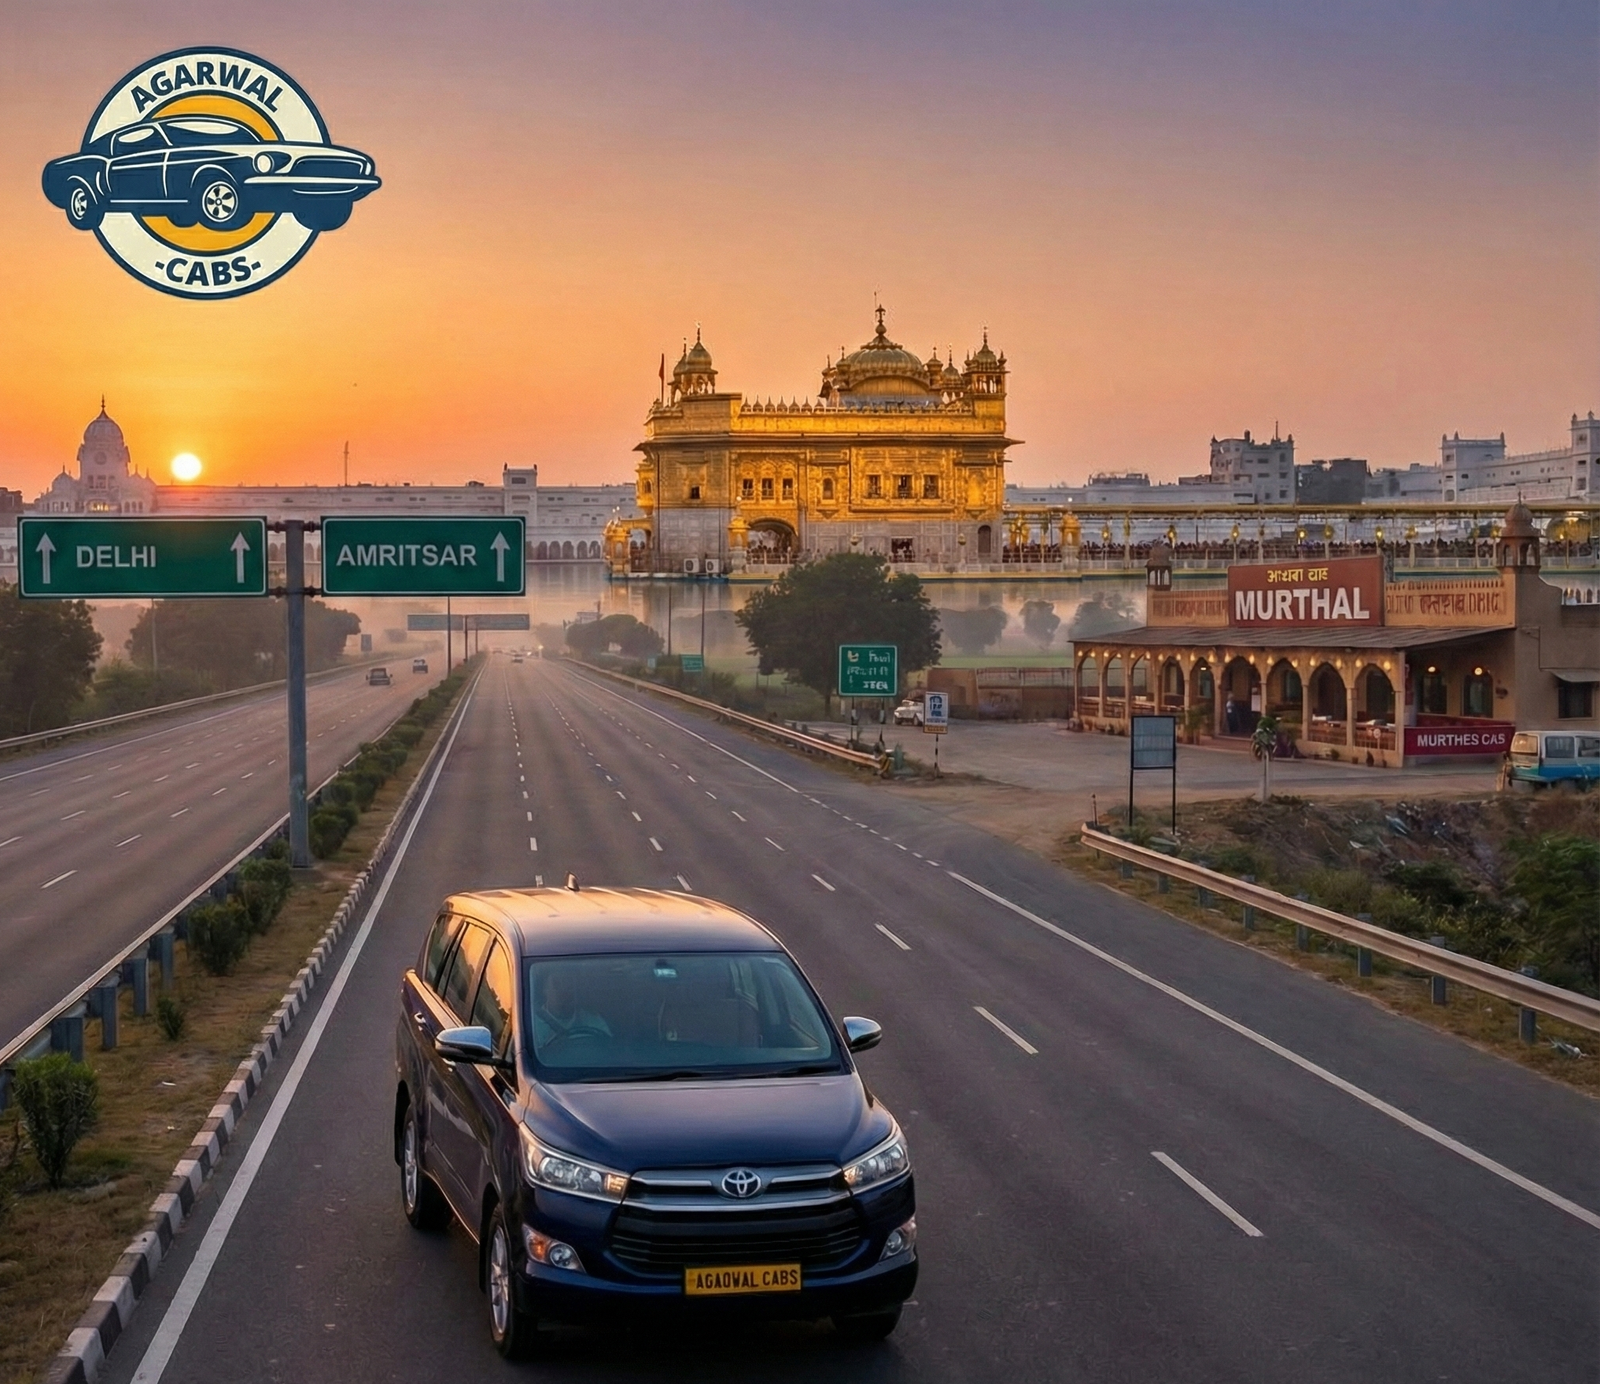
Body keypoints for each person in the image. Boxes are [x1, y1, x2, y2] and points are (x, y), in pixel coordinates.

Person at [532, 969, 611, 1049]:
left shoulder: (592, 1020)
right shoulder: (533, 1026)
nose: (563, 991)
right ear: (544, 990)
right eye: (556, 985)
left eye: (568, 985)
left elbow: (609, 1049)